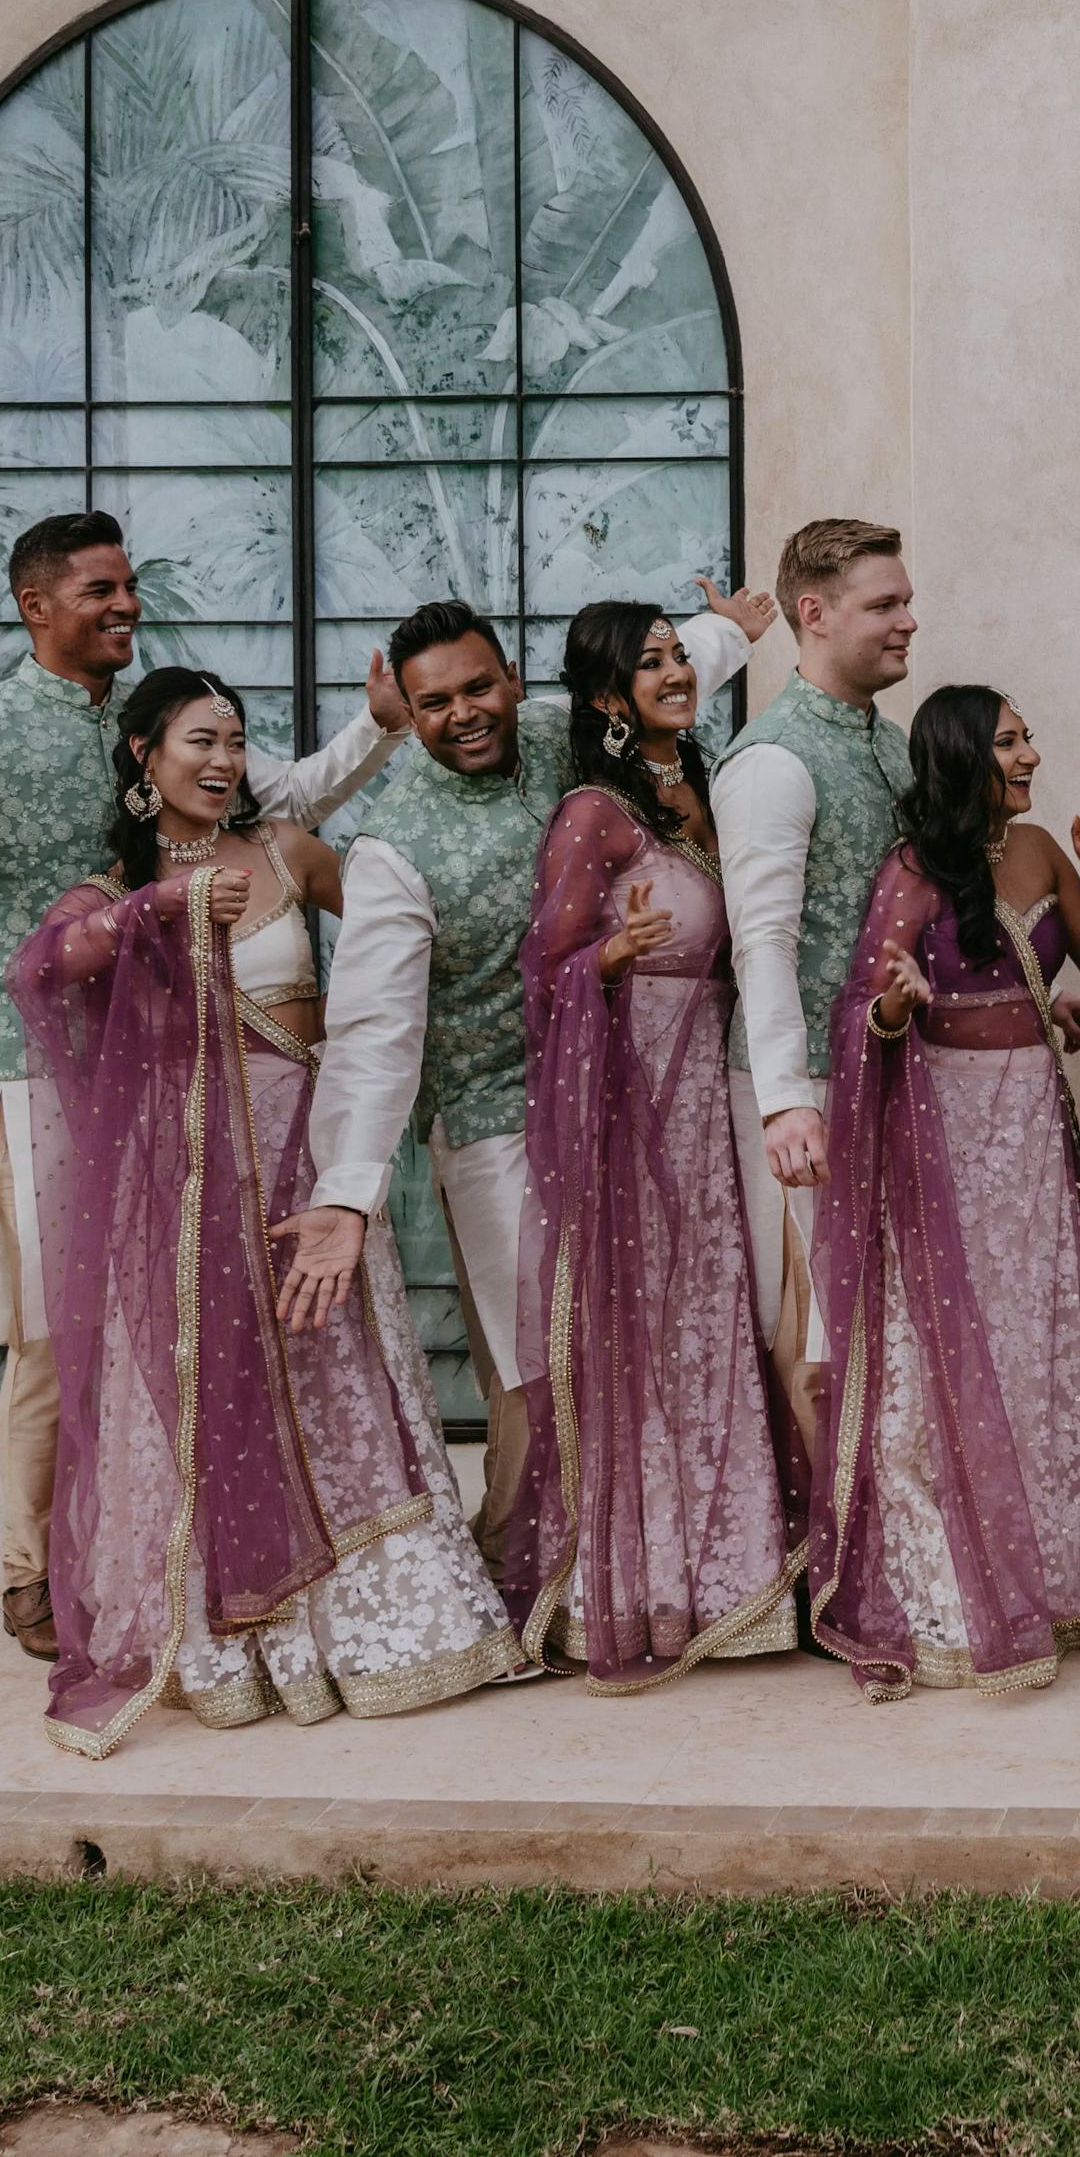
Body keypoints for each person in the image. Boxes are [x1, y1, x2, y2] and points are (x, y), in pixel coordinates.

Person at [0, 509, 407, 1662]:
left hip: (190, 1082)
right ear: (36, 606)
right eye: (100, 589)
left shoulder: (165, 728)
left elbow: (282, 803)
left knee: (180, 1324)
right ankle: (30, 1571)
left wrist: (380, 733)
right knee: (57, 1332)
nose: (125, 603)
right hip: (42, 1077)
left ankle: (161, 1553)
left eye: (128, 584)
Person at [11, 668, 514, 1756]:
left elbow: (404, 934)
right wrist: (161, 911)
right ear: (144, 754)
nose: (224, 760)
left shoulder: (290, 850)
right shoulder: (109, 892)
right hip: (188, 1182)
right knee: (213, 1377)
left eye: (237, 740)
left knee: (333, 1364)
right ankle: (237, 1642)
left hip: (306, 1164)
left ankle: (378, 1631)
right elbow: (47, 970)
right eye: (201, 740)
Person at [279, 587, 768, 1583]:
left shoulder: (560, 737)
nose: (463, 715)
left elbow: (652, 682)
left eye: (478, 688)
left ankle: (636, 1573)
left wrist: (729, 635)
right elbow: (377, 1028)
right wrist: (347, 1190)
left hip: (623, 1106)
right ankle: (520, 1575)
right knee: (535, 1366)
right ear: (406, 716)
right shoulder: (391, 846)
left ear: (512, 680)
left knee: (643, 1335)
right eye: (433, 704)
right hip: (497, 1120)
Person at [806, 685, 1080, 1695]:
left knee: (1042, 1337)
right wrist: (892, 1009)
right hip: (949, 1137)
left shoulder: (1043, 846)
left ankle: (1066, 1568)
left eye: (1028, 734)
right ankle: (967, 1580)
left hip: (1033, 1134)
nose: (1031, 753)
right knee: (963, 1341)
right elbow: (865, 1008)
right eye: (1011, 740)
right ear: (964, 754)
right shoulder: (913, 870)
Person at [502, 601, 805, 1689]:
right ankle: (641, 1589)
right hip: (633, 1108)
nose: (675, 672)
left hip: (712, 1099)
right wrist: (612, 962)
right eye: (650, 664)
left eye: (682, 656)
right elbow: (543, 968)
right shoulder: (595, 813)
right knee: (645, 1330)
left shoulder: (705, 791)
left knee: (716, 1324)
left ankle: (734, 1579)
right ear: (602, 699)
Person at [718, 519, 926, 1461]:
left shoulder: (890, 747)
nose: (909, 622)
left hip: (887, 1072)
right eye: (884, 604)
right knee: (814, 1335)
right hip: (803, 1091)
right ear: (813, 613)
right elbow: (761, 945)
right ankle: (818, 1569)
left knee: (885, 1323)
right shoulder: (773, 760)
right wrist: (785, 1102)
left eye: (905, 602)